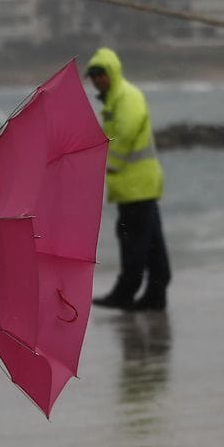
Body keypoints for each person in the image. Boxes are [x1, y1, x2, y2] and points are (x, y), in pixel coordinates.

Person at [86, 47, 171, 311]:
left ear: (112, 72)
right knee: (152, 244)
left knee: (133, 242)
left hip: (136, 187)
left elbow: (126, 130)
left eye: (101, 74)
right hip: (136, 187)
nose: (97, 80)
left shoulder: (126, 97)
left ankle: (125, 292)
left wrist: (109, 164)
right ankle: (156, 294)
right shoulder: (114, 100)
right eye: (93, 76)